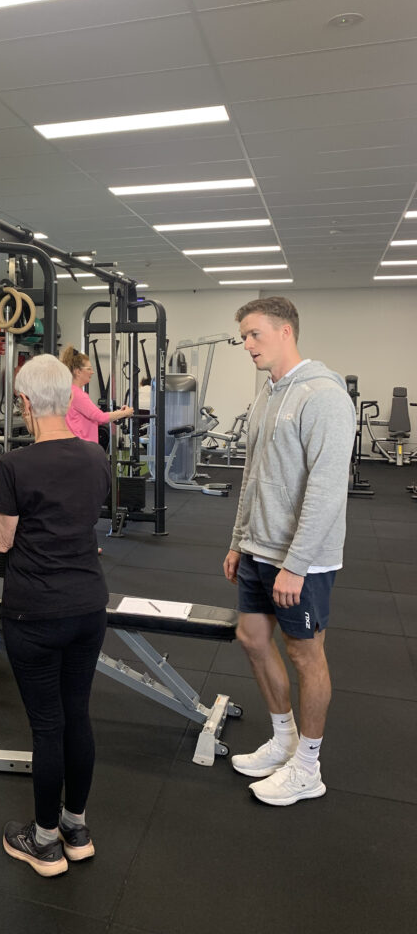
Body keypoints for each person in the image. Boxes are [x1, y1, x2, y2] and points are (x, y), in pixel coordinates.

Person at [0, 354, 110, 876]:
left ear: (25, 404)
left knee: (48, 728)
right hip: (89, 608)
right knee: (78, 715)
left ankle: (45, 842)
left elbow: (3, 540)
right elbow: (76, 522)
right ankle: (76, 827)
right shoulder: (96, 459)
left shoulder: (15, 465)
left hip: (36, 615)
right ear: (69, 398)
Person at [223, 297, 356, 806]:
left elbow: (326, 490)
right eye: (243, 337)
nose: (247, 346)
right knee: (252, 638)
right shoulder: (267, 396)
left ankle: (308, 766)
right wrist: (239, 540)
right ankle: (284, 740)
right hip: (258, 549)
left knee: (306, 655)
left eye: (254, 335)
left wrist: (294, 565)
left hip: (302, 559)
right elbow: (251, 477)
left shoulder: (322, 395)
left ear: (285, 332)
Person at [60, 345, 133, 442]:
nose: (92, 372)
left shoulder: (70, 391)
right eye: (89, 369)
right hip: (82, 448)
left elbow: (96, 418)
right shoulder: (77, 394)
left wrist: (118, 413)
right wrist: (125, 413)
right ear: (78, 372)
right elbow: (101, 417)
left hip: (78, 446)